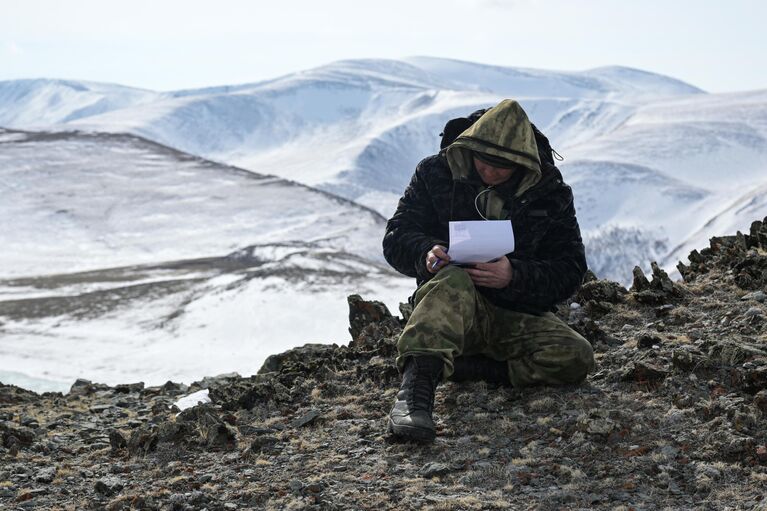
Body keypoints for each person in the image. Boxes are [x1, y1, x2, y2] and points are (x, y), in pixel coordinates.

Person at [382, 99, 595, 442]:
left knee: (576, 356)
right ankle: (414, 398)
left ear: (522, 163)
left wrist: (514, 275)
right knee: (452, 279)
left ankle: (472, 369)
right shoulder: (435, 173)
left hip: (515, 313)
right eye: (483, 160)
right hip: (448, 309)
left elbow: (570, 268)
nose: (489, 171)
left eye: (502, 166)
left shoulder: (549, 192)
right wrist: (425, 253)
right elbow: (397, 237)